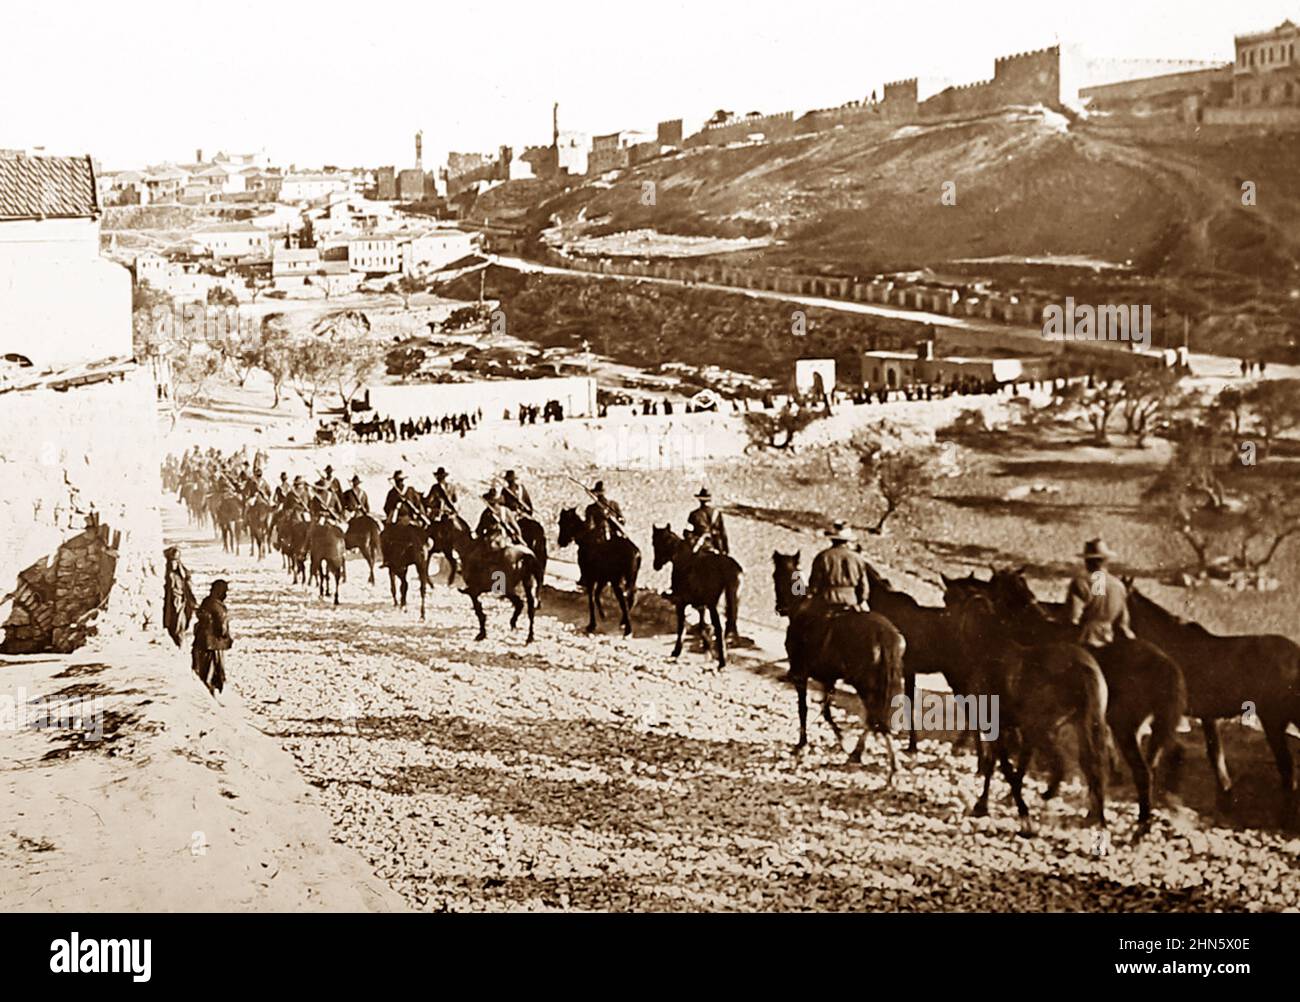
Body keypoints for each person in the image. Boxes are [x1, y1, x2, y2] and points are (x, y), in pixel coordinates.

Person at [1064, 538, 1134, 649]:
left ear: (1087, 561)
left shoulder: (1081, 582)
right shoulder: (1119, 585)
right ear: (1105, 561)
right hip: (1109, 640)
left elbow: (1073, 617)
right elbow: (1123, 622)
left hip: (1085, 640)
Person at [807, 521, 870, 611]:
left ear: (832, 539)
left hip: (826, 601)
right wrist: (861, 599)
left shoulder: (823, 556)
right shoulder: (857, 558)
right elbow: (864, 586)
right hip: (851, 600)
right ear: (847, 540)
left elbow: (814, 584)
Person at [192, 579, 233, 696]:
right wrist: (226, 638)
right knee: (212, 671)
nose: (225, 595)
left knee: (203, 669)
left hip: (201, 642)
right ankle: (209, 694)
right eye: (224, 592)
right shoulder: (218, 607)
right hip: (212, 645)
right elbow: (222, 629)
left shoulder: (207, 602)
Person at [163, 547, 197, 649]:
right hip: (170, 603)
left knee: (182, 623)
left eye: (176, 561)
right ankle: (177, 643)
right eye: (172, 561)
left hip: (181, 602)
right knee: (172, 624)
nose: (174, 564)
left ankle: (180, 643)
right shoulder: (167, 574)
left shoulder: (182, 574)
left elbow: (187, 586)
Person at [686, 488, 728, 554]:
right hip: (717, 546)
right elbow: (723, 532)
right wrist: (725, 549)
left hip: (701, 547)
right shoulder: (716, 513)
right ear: (709, 500)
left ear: (700, 500)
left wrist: (693, 544)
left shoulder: (694, 514)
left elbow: (688, 533)